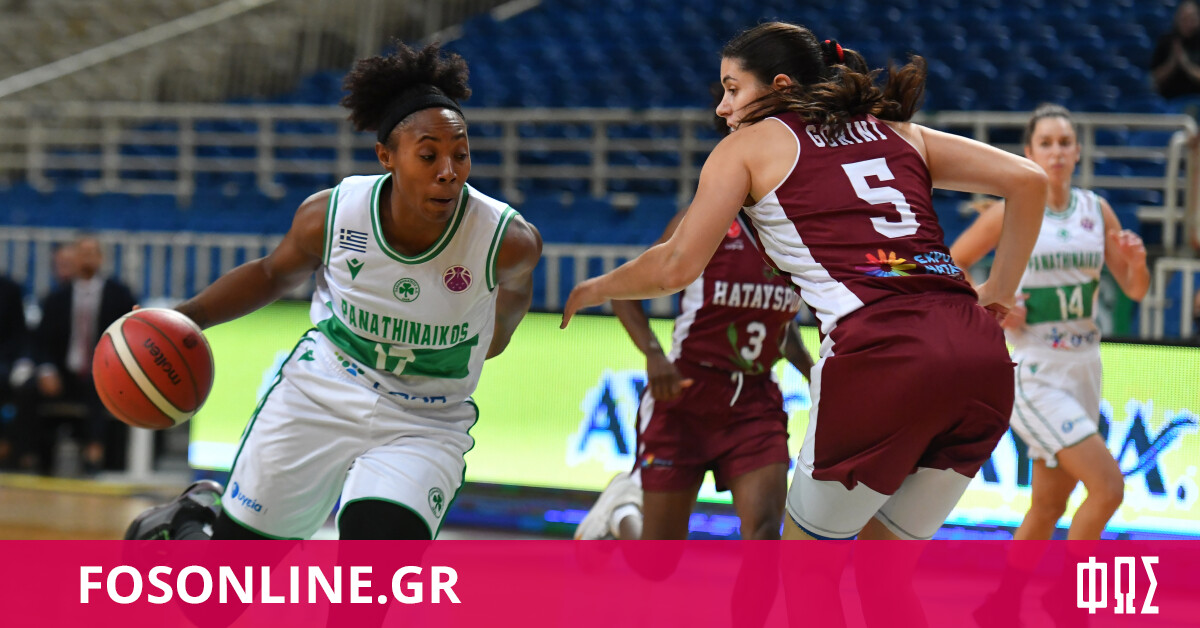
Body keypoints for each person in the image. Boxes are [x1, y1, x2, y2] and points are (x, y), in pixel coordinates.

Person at [562, 22, 1048, 543]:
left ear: (779, 86)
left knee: (804, 571)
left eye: (732, 89)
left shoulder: (749, 146)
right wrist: (999, 291)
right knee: (884, 573)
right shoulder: (899, 132)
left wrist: (598, 287)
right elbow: (1029, 181)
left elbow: (675, 267)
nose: (723, 108)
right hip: (981, 359)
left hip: (881, 354)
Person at [126, 42, 542, 541]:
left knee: (375, 567)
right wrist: (186, 318)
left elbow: (511, 305)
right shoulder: (334, 214)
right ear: (386, 156)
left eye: (461, 154)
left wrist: (491, 338)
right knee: (232, 581)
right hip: (323, 391)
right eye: (429, 155)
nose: (448, 171)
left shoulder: (507, 241)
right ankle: (190, 524)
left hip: (426, 419)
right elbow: (271, 274)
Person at [951, 104, 1149, 540]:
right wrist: (991, 299)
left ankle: (1007, 587)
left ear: (1077, 151)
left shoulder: (1096, 210)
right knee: (1108, 489)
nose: (1056, 151)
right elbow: (954, 262)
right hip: (1036, 368)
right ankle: (1073, 585)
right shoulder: (1011, 211)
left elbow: (1135, 290)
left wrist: (1137, 263)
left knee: (1048, 506)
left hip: (1085, 365)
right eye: (1046, 143)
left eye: (1064, 143)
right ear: (1030, 153)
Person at [574, 210, 813, 542]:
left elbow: (782, 328)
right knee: (657, 560)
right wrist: (654, 355)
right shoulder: (707, 221)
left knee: (766, 533)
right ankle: (622, 510)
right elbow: (622, 291)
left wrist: (815, 376)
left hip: (754, 402)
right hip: (685, 394)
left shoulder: (802, 235)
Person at [25, 236, 136, 474]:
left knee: (98, 385)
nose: (86, 258)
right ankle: (30, 455)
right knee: (28, 387)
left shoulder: (120, 295)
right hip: (65, 372)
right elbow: (40, 342)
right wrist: (46, 370)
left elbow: (132, 336)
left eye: (91, 252)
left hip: (105, 372)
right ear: (73, 258)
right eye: (81, 252)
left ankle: (94, 453)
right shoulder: (56, 298)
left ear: (101, 258)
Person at [1151, 0, 1200, 100]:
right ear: (1177, 18)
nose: (1188, 23)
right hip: (1169, 101)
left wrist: (1186, 64)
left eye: (1191, 18)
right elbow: (1153, 80)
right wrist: (1172, 62)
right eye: (1184, 18)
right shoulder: (1166, 41)